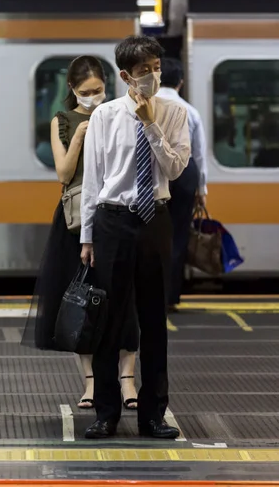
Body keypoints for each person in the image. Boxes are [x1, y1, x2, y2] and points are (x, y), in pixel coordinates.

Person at [80, 35, 190, 439]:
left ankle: (153, 414)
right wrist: (87, 238)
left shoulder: (175, 113)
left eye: (156, 67)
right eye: (144, 71)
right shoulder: (105, 116)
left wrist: (150, 123)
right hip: (113, 221)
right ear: (126, 75)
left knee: (153, 321)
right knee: (109, 319)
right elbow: (94, 181)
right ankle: (106, 412)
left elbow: (175, 169)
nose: (153, 76)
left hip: (154, 219)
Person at [22, 56, 140, 412]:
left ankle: (128, 379)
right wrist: (78, 137)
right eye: (86, 92)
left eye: (99, 90)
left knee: (126, 297)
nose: (94, 97)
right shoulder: (63, 120)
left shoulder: (122, 112)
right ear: (72, 90)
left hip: (118, 214)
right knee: (83, 298)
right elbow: (63, 173)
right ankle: (89, 381)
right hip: (77, 220)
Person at [156, 57, 207, 310]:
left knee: (152, 234)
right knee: (177, 235)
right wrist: (202, 189)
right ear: (181, 82)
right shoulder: (190, 111)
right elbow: (199, 154)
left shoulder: (147, 107)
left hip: (156, 173)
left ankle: (148, 294)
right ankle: (171, 298)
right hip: (185, 173)